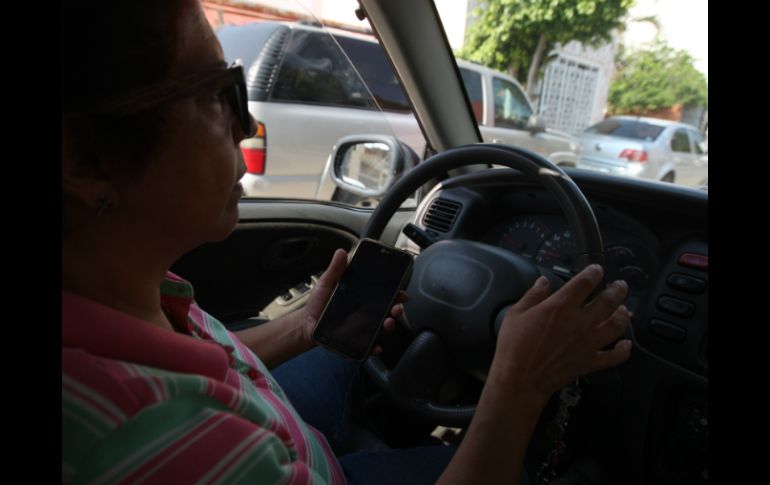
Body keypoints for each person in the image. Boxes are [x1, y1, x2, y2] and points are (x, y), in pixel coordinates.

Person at [61, 1, 632, 483]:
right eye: (221, 94)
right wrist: (519, 382)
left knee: (340, 350)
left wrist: (304, 328)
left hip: (282, 430)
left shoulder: (128, 292)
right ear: (86, 160)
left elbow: (208, 368)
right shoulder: (160, 445)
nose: (247, 124)